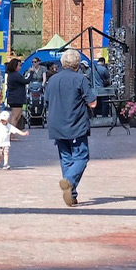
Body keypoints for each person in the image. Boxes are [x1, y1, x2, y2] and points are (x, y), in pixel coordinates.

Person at [46, 49, 97, 207]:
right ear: (77, 64)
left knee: (66, 158)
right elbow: (92, 103)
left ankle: (72, 194)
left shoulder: (52, 80)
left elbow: (47, 100)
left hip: (56, 124)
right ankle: (70, 181)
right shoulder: (80, 79)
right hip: (75, 124)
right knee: (81, 157)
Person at [5, 59, 28, 130]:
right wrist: (32, 73)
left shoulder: (12, 75)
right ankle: (10, 133)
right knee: (15, 116)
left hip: (16, 98)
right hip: (15, 98)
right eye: (19, 66)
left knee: (16, 116)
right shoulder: (15, 75)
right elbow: (26, 81)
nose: (20, 67)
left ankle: (11, 132)